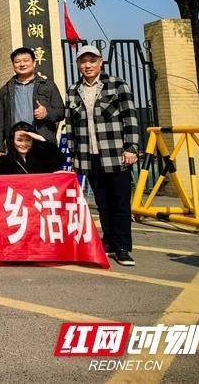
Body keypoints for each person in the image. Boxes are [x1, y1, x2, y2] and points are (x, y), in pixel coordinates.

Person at [65, 45, 140, 267]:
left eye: (92, 60)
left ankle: (123, 247)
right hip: (89, 156)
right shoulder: (74, 90)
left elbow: (130, 117)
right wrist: (74, 156)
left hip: (115, 154)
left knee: (120, 202)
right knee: (102, 203)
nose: (87, 65)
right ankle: (109, 241)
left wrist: (131, 148)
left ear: (101, 62)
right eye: (83, 61)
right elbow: (70, 126)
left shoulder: (117, 85)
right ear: (78, 64)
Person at [0, 47, 64, 155]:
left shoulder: (48, 85)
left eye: (26, 60)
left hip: (42, 142)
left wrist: (46, 113)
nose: (22, 64)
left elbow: (61, 112)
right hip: (16, 143)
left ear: (34, 63)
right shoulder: (5, 89)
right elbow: (0, 121)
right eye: (17, 62)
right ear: (13, 65)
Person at [0, 121, 66, 175]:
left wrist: (41, 139)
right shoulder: (3, 161)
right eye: (19, 140)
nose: (24, 144)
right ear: (12, 141)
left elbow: (60, 159)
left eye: (28, 140)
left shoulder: (41, 159)